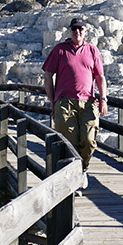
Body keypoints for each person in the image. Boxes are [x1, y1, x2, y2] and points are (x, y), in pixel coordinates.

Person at [43, 17, 108, 189]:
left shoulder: (92, 50)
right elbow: (48, 74)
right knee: (69, 141)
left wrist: (103, 98)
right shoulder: (59, 50)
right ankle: (72, 180)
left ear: (86, 32)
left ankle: (83, 169)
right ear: (70, 31)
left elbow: (100, 77)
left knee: (88, 139)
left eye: (80, 29)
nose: (77, 32)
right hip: (65, 102)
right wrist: (52, 101)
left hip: (88, 101)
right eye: (74, 29)